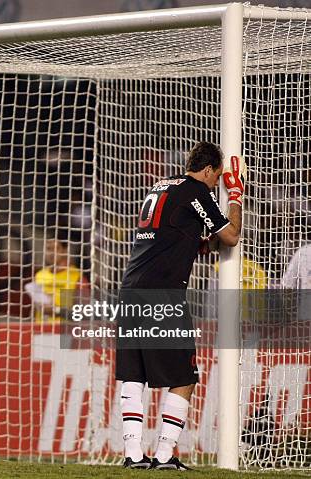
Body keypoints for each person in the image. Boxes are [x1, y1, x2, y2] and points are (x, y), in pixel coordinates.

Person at [117, 142, 243, 469]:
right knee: (185, 376)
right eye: (216, 178)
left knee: (134, 374)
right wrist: (236, 197)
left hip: (131, 289)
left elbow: (174, 233)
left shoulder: (161, 186)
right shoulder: (197, 190)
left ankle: (132, 456)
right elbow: (230, 236)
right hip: (163, 296)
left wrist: (196, 245)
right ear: (207, 170)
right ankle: (164, 455)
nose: (216, 184)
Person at [25, 236, 89, 323]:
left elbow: (85, 312)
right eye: (48, 249)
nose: (52, 253)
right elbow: (34, 309)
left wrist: (56, 311)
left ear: (65, 250)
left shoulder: (77, 277)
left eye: (56, 248)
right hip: (40, 330)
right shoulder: (40, 275)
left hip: (64, 332)